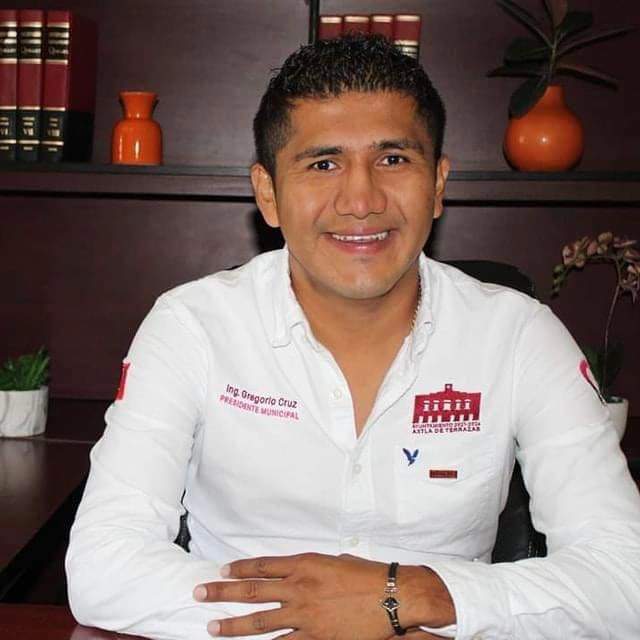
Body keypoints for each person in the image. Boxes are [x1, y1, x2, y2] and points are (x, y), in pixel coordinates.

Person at [66, 35, 640, 640]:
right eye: (323, 164)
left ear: (438, 185)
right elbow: (104, 564)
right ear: (268, 194)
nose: (361, 201)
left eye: (393, 160)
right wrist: (309, 620)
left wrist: (415, 597)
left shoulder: (520, 336)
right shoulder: (192, 328)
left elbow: (626, 579)